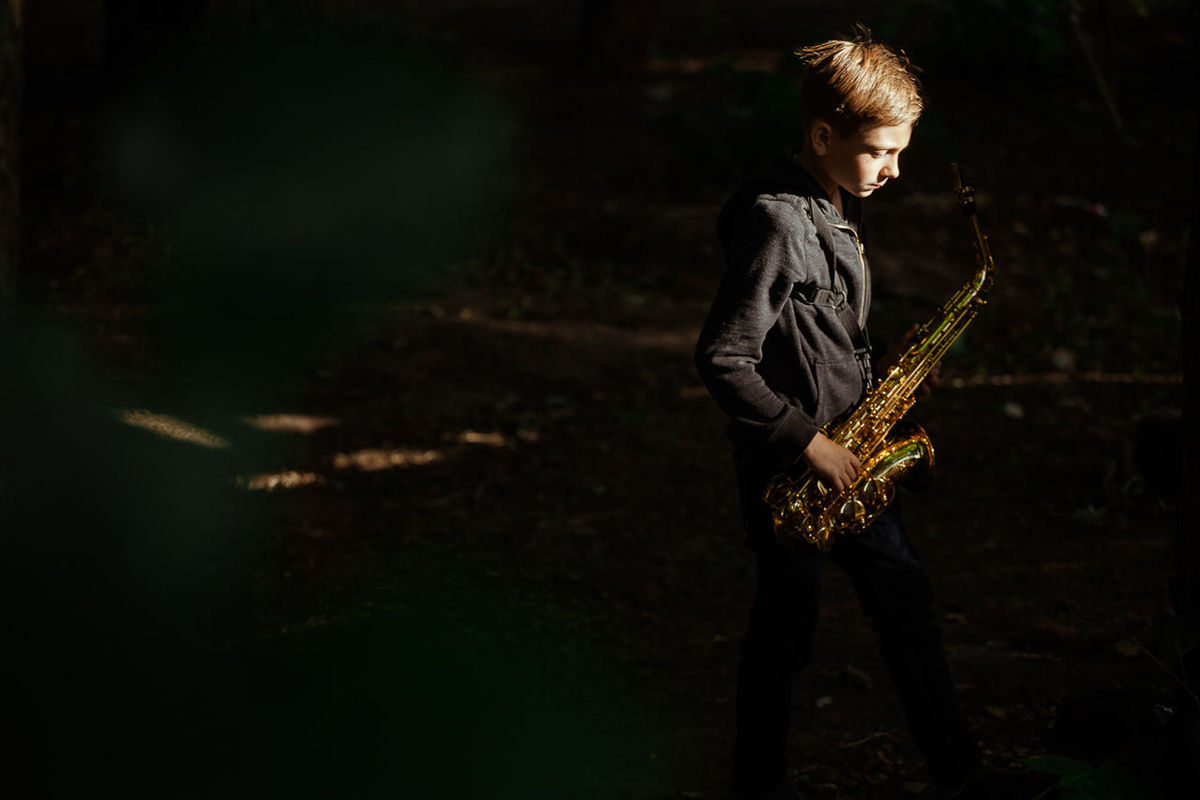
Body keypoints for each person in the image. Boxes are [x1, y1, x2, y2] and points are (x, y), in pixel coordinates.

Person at [693, 29, 1054, 800]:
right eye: (882, 151)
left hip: (855, 454)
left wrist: (887, 378)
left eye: (900, 152)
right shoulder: (778, 221)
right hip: (793, 473)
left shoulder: (833, 204)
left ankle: (960, 775)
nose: (895, 168)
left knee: (907, 609)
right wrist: (809, 444)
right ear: (823, 135)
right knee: (784, 640)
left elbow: (822, 334)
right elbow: (724, 357)